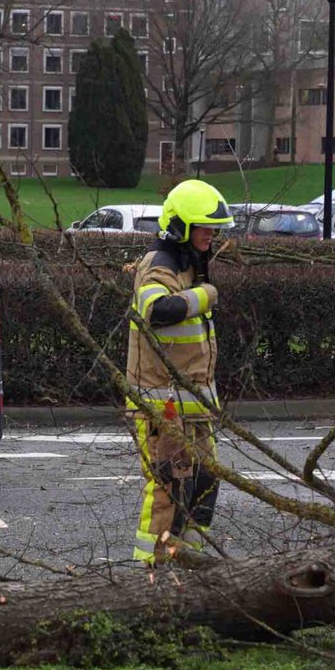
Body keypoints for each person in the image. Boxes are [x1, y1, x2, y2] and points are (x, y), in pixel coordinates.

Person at [125, 179, 233, 565]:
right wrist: (206, 296)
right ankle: (153, 566)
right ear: (181, 227)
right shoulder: (160, 266)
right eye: (204, 228)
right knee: (168, 487)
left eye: (213, 229)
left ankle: (190, 560)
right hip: (161, 406)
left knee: (205, 478)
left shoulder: (190, 264)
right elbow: (158, 310)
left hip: (193, 406)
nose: (211, 235)